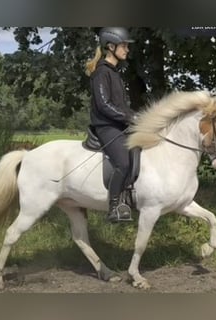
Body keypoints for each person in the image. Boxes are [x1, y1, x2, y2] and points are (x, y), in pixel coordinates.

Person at [85, 27, 136, 222]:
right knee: (123, 163)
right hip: (106, 126)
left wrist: (136, 117)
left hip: (119, 124)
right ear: (111, 46)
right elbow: (104, 105)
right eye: (124, 46)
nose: (127, 50)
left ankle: (129, 198)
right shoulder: (101, 73)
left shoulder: (115, 73)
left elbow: (122, 106)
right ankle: (113, 207)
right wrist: (128, 118)